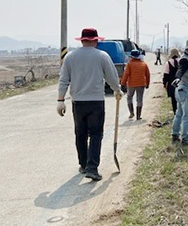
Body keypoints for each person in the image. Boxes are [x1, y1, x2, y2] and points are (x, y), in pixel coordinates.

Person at [57, 27, 123, 181]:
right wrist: (117, 90)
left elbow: (63, 79)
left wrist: (60, 100)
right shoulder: (102, 56)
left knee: (80, 134)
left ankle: (83, 164)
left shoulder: (70, 57)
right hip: (96, 102)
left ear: (82, 40)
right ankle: (92, 168)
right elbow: (111, 77)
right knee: (95, 134)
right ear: (95, 40)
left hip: (78, 102)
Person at [121, 49, 151, 120]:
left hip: (131, 84)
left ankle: (131, 113)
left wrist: (123, 84)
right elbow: (148, 75)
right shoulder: (144, 64)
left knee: (129, 97)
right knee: (139, 99)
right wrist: (147, 84)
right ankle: (138, 116)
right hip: (141, 84)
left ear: (131, 56)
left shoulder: (129, 64)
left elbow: (126, 74)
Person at [162, 48, 180, 113]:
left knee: (173, 99)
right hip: (181, 83)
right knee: (181, 100)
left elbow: (166, 75)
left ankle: (175, 113)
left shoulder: (168, 63)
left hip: (171, 84)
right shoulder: (181, 61)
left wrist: (164, 84)